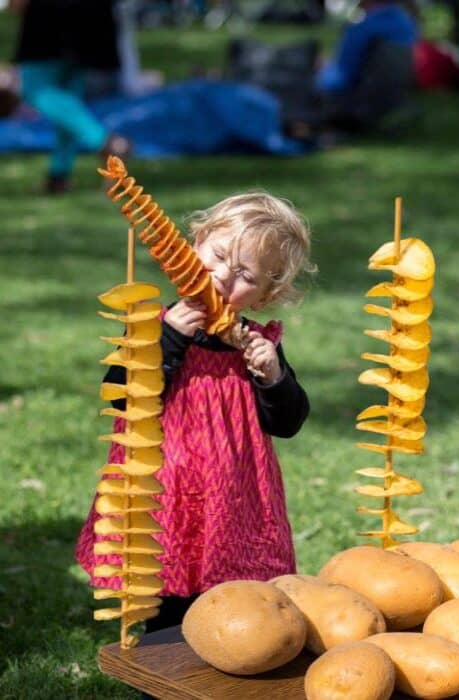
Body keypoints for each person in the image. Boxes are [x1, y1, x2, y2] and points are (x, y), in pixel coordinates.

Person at [76, 191, 315, 635]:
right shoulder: (149, 327)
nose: (223, 277)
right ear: (194, 244)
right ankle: (161, 674)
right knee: (163, 602)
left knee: (235, 607)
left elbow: (287, 422)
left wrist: (273, 375)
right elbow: (123, 397)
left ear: (265, 295)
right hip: (164, 493)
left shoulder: (258, 343)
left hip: (235, 500)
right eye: (219, 256)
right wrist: (167, 339)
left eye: (245, 274)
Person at [8, 0, 131, 194]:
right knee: (70, 104)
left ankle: (105, 142)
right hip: (87, 20)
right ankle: (59, 176)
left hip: (48, 22)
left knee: (33, 89)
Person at [314, 0, 419, 134]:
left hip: (350, 107)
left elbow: (339, 80)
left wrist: (319, 73)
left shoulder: (363, 28)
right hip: (390, 102)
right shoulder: (405, 24)